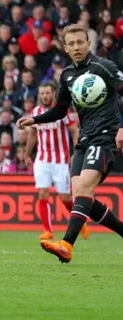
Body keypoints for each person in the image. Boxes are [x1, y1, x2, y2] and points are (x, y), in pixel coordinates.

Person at [18, 24, 123, 263]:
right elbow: (59, 110)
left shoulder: (104, 67)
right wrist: (34, 119)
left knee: (84, 188)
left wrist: (122, 128)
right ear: (65, 48)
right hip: (84, 140)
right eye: (71, 44)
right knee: (81, 196)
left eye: (80, 42)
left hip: (105, 135)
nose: (76, 47)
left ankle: (66, 244)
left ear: (88, 43)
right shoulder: (66, 75)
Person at [25, 82, 89, 241]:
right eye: (42, 93)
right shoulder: (36, 112)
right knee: (42, 193)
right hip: (42, 159)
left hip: (60, 160)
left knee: (65, 198)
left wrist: (76, 151)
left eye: (47, 93)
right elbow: (32, 134)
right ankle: (48, 231)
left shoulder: (62, 112)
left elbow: (74, 130)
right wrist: (27, 154)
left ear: (53, 94)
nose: (44, 96)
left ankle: (80, 222)